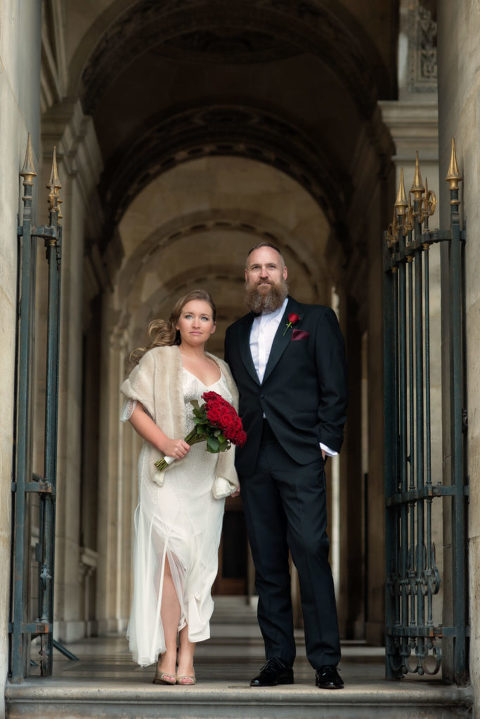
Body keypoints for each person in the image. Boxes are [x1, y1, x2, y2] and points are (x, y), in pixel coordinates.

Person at [224, 242, 347, 690]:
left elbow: (335, 385)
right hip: (254, 457)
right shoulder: (236, 333)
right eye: (254, 267)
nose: (262, 274)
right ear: (246, 276)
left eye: (270, 267)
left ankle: (326, 661)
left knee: (311, 549)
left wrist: (325, 443)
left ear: (285, 273)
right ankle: (278, 661)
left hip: (300, 455)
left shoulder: (314, 320)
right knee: (269, 562)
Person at [120, 289, 239, 685]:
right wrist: (165, 443)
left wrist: (227, 469)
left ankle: (189, 656)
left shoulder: (223, 369)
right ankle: (166, 654)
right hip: (166, 474)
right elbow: (133, 408)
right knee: (171, 564)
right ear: (176, 322)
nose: (196, 323)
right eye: (188, 316)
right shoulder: (159, 359)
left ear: (213, 326)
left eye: (204, 317)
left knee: (200, 570)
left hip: (205, 482)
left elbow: (230, 427)